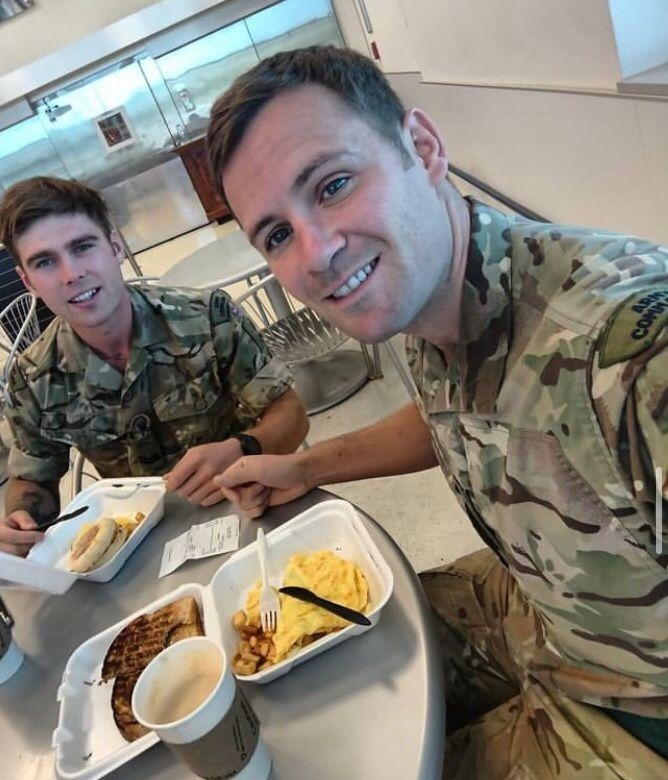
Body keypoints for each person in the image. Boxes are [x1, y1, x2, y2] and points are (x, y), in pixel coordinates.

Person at [204, 46, 667, 778]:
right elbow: (460, 416)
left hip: (639, 705)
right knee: (316, 655)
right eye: (278, 235)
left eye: (333, 185)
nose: (316, 254)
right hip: (542, 601)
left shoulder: (632, 358)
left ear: (422, 149)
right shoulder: (431, 291)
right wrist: (304, 466)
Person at [0, 176, 308, 557]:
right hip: (138, 549)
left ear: (115, 246)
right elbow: (32, 479)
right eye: (45, 262)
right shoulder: (32, 379)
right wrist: (21, 518)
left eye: (83, 247)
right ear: (27, 281)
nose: (71, 274)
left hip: (250, 509)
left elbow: (291, 414)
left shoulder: (206, 316)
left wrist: (242, 448)